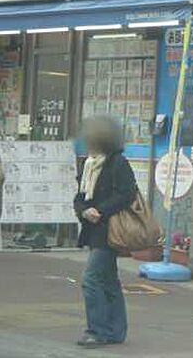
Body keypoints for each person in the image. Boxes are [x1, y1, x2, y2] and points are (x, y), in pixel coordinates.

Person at [73, 116, 137, 348]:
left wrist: (100, 210)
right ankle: (115, 331)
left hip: (110, 230)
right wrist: (83, 211)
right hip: (94, 230)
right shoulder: (89, 164)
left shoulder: (118, 163)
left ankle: (96, 331)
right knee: (108, 280)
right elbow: (80, 197)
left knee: (91, 279)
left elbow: (128, 194)